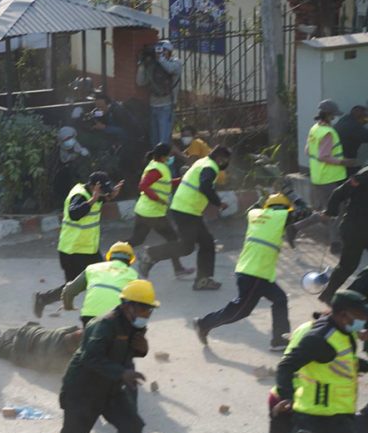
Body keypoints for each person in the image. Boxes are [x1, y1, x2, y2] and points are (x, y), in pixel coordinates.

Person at [36, 280, 158, 433]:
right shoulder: (104, 325)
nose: (146, 313)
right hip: (82, 391)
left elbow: (132, 351)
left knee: (133, 426)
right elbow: (90, 357)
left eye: (149, 310)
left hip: (110, 389)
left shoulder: (135, 325)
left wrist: (141, 347)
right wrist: (122, 373)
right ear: (127, 305)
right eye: (143, 308)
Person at [238, 290, 368, 433]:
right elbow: (286, 366)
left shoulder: (344, 333)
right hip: (325, 420)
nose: (364, 322)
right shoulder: (320, 338)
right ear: (344, 315)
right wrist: (287, 396)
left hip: (324, 418)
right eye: (361, 318)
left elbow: (345, 362)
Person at [194, 193, 303, 349]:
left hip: (256, 273)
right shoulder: (280, 217)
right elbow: (296, 214)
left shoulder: (255, 215)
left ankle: (280, 339)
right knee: (240, 310)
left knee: (280, 299)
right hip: (255, 273)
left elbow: (255, 208)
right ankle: (203, 324)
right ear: (282, 209)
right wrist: (298, 201)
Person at [138, 145, 232, 290]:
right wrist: (218, 203)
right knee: (187, 247)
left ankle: (203, 280)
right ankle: (150, 254)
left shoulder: (202, 162)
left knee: (205, 243)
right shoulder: (210, 167)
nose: (225, 163)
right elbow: (205, 186)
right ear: (220, 159)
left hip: (186, 209)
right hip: (186, 210)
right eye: (225, 160)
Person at [34, 171, 124, 317]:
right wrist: (93, 199)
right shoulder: (79, 195)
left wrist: (110, 195)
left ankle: (109, 309)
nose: (103, 194)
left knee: (102, 275)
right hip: (72, 250)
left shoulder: (94, 194)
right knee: (73, 286)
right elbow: (74, 213)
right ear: (95, 186)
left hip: (89, 249)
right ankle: (43, 299)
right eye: (103, 190)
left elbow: (101, 199)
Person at [290, 99, 356, 253]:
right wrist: (344, 162)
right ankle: (334, 242)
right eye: (333, 115)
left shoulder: (315, 129)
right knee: (335, 210)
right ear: (329, 115)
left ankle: (296, 228)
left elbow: (308, 151)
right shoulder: (328, 132)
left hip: (318, 177)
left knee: (330, 211)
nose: (334, 117)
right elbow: (324, 156)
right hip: (329, 178)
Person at [128, 143, 193, 277]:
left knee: (137, 239)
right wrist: (158, 199)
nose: (171, 157)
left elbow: (165, 183)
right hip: (152, 213)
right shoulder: (157, 169)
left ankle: (112, 255)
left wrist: (180, 180)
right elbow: (143, 186)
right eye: (170, 155)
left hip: (145, 210)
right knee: (173, 239)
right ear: (164, 156)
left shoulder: (159, 166)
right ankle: (154, 258)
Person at [319, 166, 368, 303]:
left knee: (348, 266)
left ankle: (350, 298)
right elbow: (340, 192)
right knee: (348, 266)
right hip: (355, 228)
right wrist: (330, 211)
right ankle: (331, 296)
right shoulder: (365, 174)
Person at [0, 323, 84, 373]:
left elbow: (79, 330)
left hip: (27, 332)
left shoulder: (66, 330)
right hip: (19, 350)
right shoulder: (61, 356)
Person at [61, 242, 139, 326]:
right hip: (115, 317)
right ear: (130, 260)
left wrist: (68, 306)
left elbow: (69, 290)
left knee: (88, 337)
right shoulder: (132, 275)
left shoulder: (93, 268)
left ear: (109, 257)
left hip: (89, 316)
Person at [136, 39, 181, 147]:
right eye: (158, 50)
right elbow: (140, 82)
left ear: (169, 51)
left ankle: (165, 162)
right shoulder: (153, 65)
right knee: (154, 139)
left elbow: (170, 69)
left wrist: (160, 58)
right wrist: (142, 65)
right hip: (153, 105)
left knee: (163, 140)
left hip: (167, 106)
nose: (160, 52)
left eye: (163, 50)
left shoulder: (175, 62)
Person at [334, 105, 368, 178]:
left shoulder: (344, 119)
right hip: (345, 161)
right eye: (365, 118)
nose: (366, 121)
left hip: (334, 157)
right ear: (360, 117)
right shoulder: (355, 127)